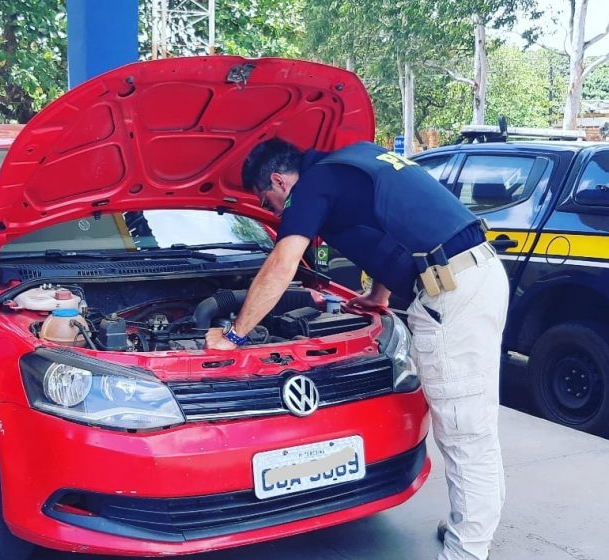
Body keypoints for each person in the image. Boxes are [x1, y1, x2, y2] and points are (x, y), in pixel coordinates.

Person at [205, 138, 509, 560]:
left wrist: (235, 335)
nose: (273, 211)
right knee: (470, 422)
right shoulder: (357, 159)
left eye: (268, 200)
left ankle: (468, 550)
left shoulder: (313, 184)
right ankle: (469, 527)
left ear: (278, 179)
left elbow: (283, 260)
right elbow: (390, 231)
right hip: (469, 277)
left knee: (464, 430)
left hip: (453, 293)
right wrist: (377, 296)